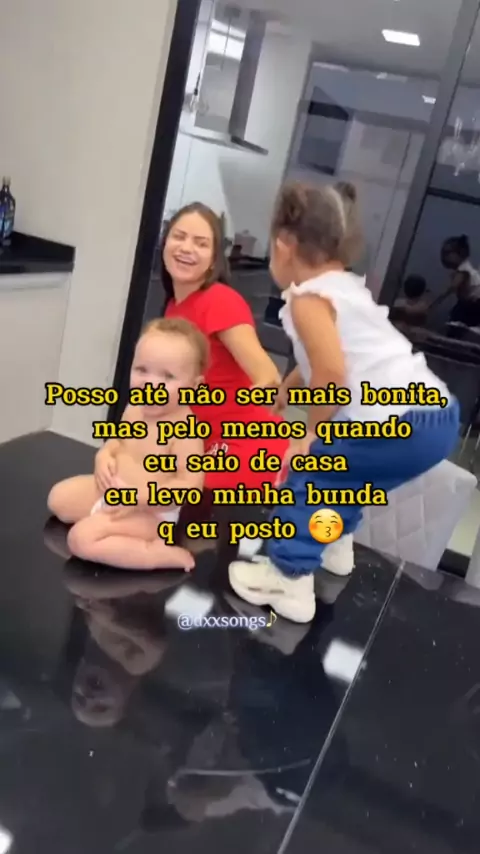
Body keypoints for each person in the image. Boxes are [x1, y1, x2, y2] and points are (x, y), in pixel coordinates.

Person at [228, 181, 460, 624]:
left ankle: (288, 577)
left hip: (398, 418)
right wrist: (288, 386)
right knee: (347, 478)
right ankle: (334, 545)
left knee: (312, 473)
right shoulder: (346, 288)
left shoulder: (307, 299)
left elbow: (331, 373)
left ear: (283, 244)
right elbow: (328, 357)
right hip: (437, 416)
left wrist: (311, 433)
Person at [47, 317, 208, 571]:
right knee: (58, 499)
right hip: (111, 493)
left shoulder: (185, 429)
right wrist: (104, 456)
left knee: (80, 539)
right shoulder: (134, 408)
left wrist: (138, 498)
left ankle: (154, 553)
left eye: (167, 376)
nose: (150, 383)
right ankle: (108, 527)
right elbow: (117, 441)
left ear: (194, 387)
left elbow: (190, 486)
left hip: (150, 513)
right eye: (142, 370)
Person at [161, 202, 289, 489]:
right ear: (165, 243)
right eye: (179, 237)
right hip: (200, 445)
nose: (186, 248)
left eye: (201, 243)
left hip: (243, 447)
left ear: (214, 259)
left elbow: (267, 375)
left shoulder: (220, 301)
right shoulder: (173, 307)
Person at [435, 234, 480, 326]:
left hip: (471, 306)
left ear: (460, 253)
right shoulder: (465, 268)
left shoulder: (464, 270)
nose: (444, 256)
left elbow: (452, 287)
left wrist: (436, 301)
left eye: (448, 253)